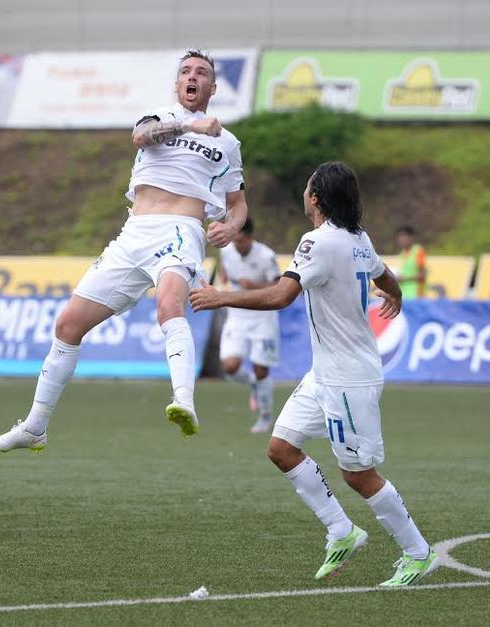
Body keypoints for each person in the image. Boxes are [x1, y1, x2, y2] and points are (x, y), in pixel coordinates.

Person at [0, 49, 248, 452]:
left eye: (202, 73)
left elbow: (238, 201)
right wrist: (193, 125)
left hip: (181, 229)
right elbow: (139, 137)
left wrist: (231, 225)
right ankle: (35, 426)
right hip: (133, 233)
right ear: (177, 84)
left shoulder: (227, 143)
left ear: (213, 86)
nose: (193, 77)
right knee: (69, 325)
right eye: (186, 71)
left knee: (169, 306)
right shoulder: (158, 118)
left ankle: (184, 402)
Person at [189, 161, 439, 587]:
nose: (304, 194)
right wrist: (393, 295)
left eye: (308, 188)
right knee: (281, 447)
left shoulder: (317, 242)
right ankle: (342, 530)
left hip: (348, 378)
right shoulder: (358, 238)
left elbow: (282, 295)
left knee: (357, 474)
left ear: (316, 198)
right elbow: (384, 274)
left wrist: (220, 297)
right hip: (325, 373)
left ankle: (418, 553)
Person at [216, 217, 281, 433]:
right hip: (237, 315)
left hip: (262, 316)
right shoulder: (226, 252)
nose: (237, 245)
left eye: (241, 241)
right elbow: (225, 274)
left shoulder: (266, 256)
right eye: (235, 241)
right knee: (230, 367)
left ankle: (265, 416)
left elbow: (278, 287)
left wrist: (254, 285)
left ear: (251, 237)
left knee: (261, 368)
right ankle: (252, 383)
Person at [395, 225, 426, 299]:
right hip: (404, 295)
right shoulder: (402, 254)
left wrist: (404, 279)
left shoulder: (418, 251)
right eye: (399, 236)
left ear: (411, 237)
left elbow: (422, 275)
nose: (401, 239)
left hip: (416, 295)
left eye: (403, 236)